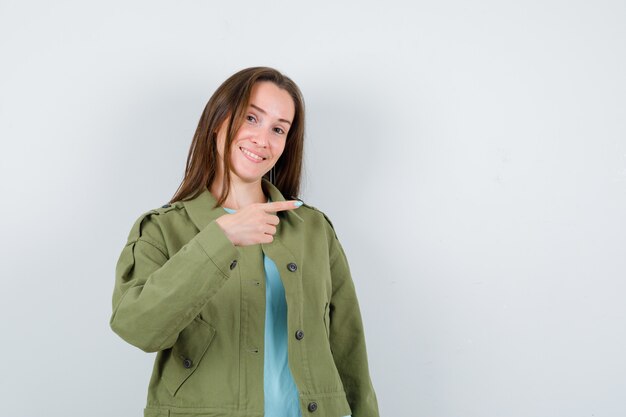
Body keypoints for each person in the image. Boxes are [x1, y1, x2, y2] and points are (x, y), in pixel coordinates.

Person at [110, 66, 380, 417]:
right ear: (219, 119)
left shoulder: (313, 229)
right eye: (252, 118)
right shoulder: (162, 229)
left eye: (278, 129)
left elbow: (348, 346)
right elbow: (137, 327)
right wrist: (222, 239)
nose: (263, 139)